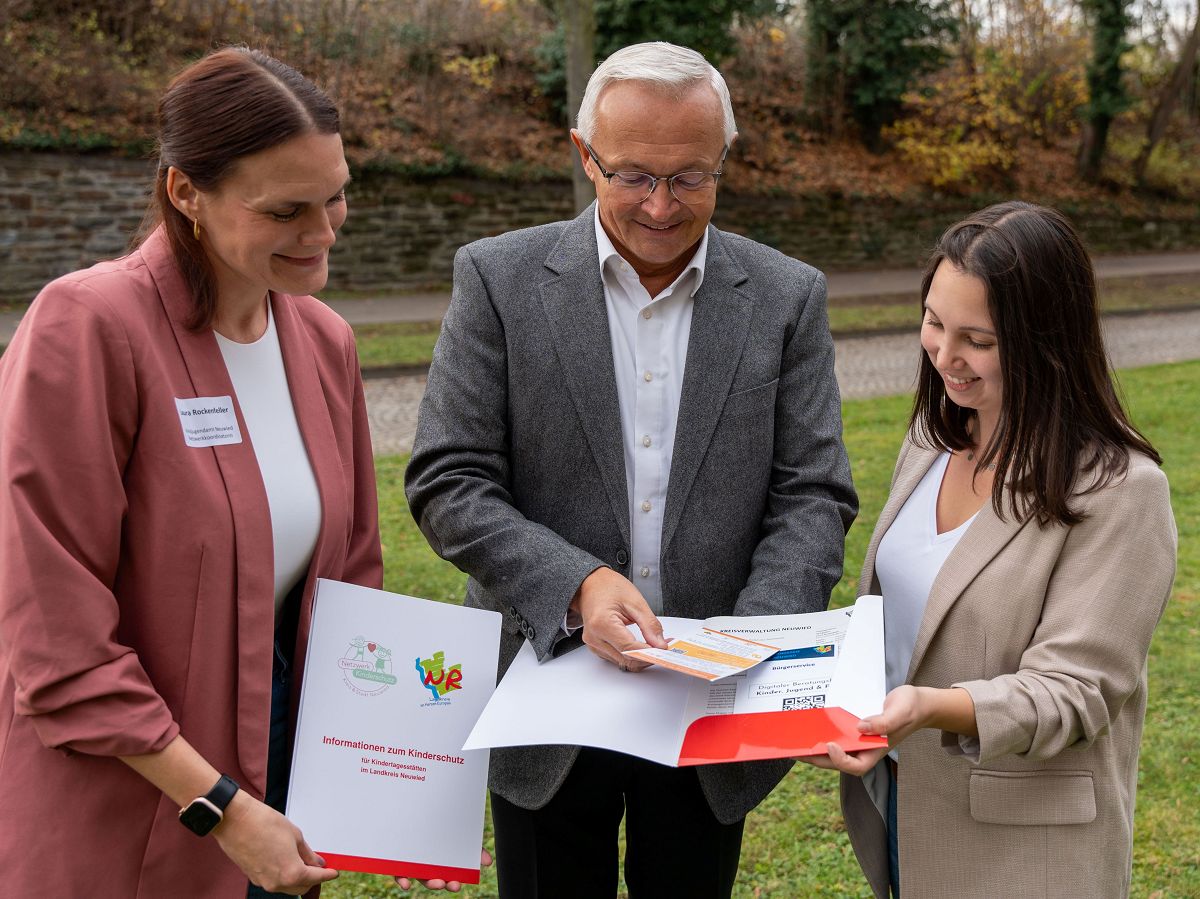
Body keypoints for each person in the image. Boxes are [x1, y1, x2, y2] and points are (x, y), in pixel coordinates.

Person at [405, 40, 858, 898]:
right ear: (585, 155)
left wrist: (745, 645)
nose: (660, 204)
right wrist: (577, 583)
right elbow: (448, 477)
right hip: (542, 693)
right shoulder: (497, 279)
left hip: (709, 709)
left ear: (725, 159)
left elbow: (814, 492)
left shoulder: (786, 293)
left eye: (690, 176)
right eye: (632, 175)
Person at [0, 48, 383, 897]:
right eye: (287, 209)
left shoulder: (324, 342)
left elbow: (351, 580)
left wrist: (390, 791)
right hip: (131, 802)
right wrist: (221, 806)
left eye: (336, 196)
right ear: (186, 193)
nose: (323, 233)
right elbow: (56, 641)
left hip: (277, 779)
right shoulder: (88, 326)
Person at [802, 201, 1177, 898]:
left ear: (1046, 341)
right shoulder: (930, 442)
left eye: (977, 338)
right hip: (901, 810)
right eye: (935, 322)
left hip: (1025, 851)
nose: (944, 355)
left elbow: (1075, 690)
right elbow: (901, 614)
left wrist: (931, 706)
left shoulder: (1123, 492)